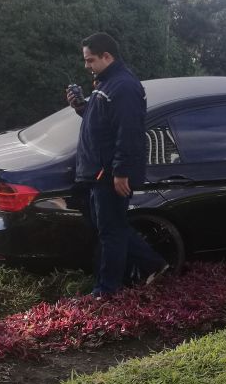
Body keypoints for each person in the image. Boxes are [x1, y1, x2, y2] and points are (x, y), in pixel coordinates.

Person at [66, 31, 167, 297]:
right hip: (97, 172)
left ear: (107, 56)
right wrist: (80, 107)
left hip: (109, 174)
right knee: (112, 228)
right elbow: (102, 121)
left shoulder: (124, 87)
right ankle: (154, 263)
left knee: (111, 233)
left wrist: (121, 172)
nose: (86, 65)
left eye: (90, 60)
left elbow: (130, 132)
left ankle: (106, 291)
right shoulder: (106, 84)